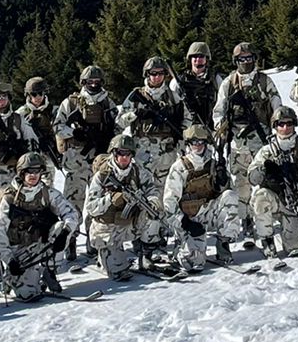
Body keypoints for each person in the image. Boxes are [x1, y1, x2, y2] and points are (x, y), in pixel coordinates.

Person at [213, 40, 278, 240]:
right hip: (237, 143)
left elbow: (276, 106)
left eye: (249, 58)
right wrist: (222, 128)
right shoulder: (229, 83)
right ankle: (245, 220)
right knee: (241, 184)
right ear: (235, 61)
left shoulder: (265, 81)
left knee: (263, 182)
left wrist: (276, 131)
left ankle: (264, 221)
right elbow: (219, 111)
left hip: (261, 141)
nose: (246, 62)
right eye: (241, 59)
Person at [0, 152, 78, 300]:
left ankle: (49, 271)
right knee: (27, 294)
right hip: (19, 251)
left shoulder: (48, 193)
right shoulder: (9, 198)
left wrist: (65, 233)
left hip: (41, 245)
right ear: (21, 173)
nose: (33, 175)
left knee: (60, 227)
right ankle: (12, 280)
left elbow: (71, 214)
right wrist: (9, 260)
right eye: (29, 171)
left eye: (37, 171)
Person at [82, 134, 163, 279]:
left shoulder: (137, 171)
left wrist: (153, 201)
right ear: (113, 153)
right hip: (108, 228)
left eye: (128, 153)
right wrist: (110, 199)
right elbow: (91, 207)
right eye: (120, 153)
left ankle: (145, 254)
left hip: (128, 222)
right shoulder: (102, 175)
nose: (124, 157)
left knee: (154, 215)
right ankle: (104, 256)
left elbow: (152, 189)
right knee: (118, 272)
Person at [54, 66, 118, 246]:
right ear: (83, 82)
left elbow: (117, 127)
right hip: (76, 160)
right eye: (90, 81)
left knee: (98, 201)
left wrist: (109, 141)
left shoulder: (108, 103)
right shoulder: (71, 103)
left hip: (100, 160)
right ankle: (71, 240)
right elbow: (57, 126)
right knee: (73, 201)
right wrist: (74, 133)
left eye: (97, 82)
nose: (94, 85)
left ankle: (93, 238)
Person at [163, 124, 238, 271]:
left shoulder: (214, 164)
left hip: (208, 211)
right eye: (194, 142)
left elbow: (227, 193)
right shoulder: (179, 167)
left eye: (201, 142)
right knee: (194, 263)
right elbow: (169, 202)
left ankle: (223, 244)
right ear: (188, 144)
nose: (197, 146)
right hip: (189, 219)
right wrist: (184, 223)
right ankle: (181, 248)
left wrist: (223, 180)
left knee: (230, 196)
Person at [246, 107, 298, 260]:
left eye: (289, 123)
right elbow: (252, 178)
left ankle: (290, 230)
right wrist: (264, 170)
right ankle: (267, 240)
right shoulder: (266, 151)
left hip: (296, 202)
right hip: (274, 200)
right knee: (260, 197)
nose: (285, 127)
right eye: (281, 124)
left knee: (295, 247)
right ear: (275, 126)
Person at [118, 56, 184, 189]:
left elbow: (186, 120)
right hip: (142, 151)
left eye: (161, 73)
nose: (157, 77)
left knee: (164, 190)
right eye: (153, 73)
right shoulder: (137, 95)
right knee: (140, 190)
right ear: (147, 74)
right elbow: (120, 121)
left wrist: (179, 139)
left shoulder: (173, 97)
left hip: (166, 153)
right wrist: (136, 114)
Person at [19, 77, 64, 174]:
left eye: (41, 93)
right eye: (34, 94)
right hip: (28, 160)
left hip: (48, 157)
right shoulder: (21, 114)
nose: (38, 97)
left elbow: (61, 132)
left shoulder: (54, 111)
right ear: (28, 95)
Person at [177, 41, 221, 133]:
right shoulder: (179, 81)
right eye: (195, 57)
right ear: (190, 59)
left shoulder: (215, 79)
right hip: (186, 130)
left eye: (201, 56)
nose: (198, 59)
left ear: (206, 59)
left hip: (210, 130)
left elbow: (222, 103)